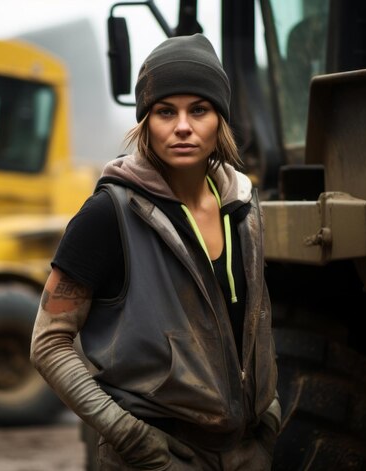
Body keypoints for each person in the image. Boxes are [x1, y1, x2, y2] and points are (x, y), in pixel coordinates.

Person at [31, 33, 280, 470]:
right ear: (146, 123)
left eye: (198, 110)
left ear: (219, 120)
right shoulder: (109, 214)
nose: (182, 126)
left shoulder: (244, 205)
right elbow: (49, 343)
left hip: (243, 452)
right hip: (155, 457)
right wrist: (130, 435)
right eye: (166, 112)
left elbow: (255, 320)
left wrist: (270, 415)